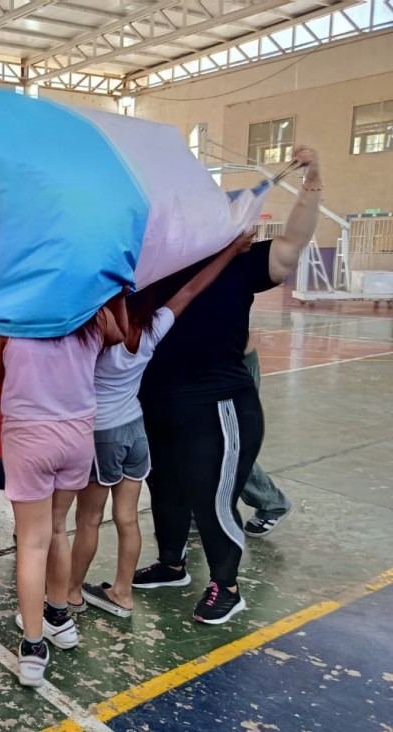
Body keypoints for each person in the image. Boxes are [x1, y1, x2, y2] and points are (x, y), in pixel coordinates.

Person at [134, 146, 323, 624]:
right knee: (166, 490)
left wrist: (313, 181)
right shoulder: (152, 265)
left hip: (216, 403)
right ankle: (172, 564)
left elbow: (292, 245)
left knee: (209, 495)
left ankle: (227, 585)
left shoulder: (239, 261)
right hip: (156, 401)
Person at [68, 236, 252, 619]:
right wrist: (231, 251)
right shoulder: (152, 331)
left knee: (87, 520)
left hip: (102, 435)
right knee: (128, 517)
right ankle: (122, 593)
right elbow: (192, 288)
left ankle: (70, 592)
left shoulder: (97, 336)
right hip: (136, 431)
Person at [0, 301, 125, 687]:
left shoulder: (9, 308)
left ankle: (33, 647)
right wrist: (117, 291)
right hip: (77, 433)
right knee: (58, 530)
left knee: (32, 543)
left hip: (29, 433)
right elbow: (119, 334)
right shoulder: (92, 310)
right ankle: (59, 619)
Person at [240, 334, 292, 537]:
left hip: (228, 364)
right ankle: (195, 511)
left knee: (228, 445)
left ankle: (271, 503)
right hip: (191, 365)